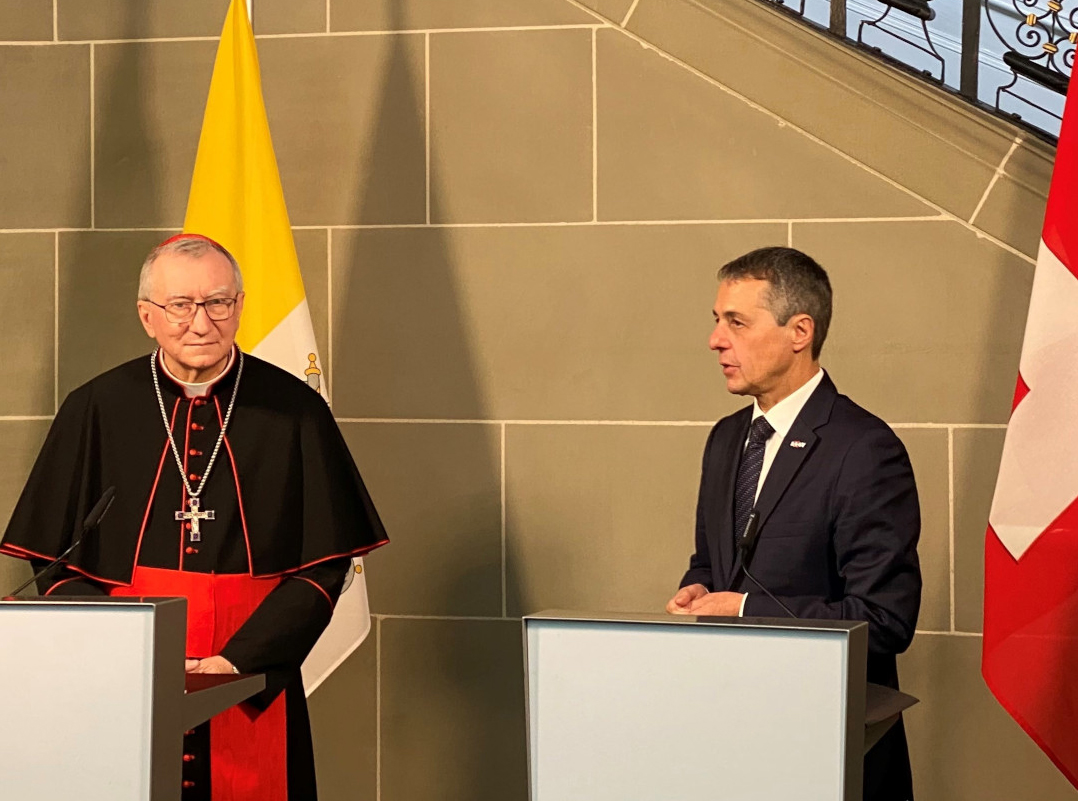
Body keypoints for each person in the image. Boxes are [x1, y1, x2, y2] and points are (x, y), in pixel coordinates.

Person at [1, 233, 389, 801]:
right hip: (120, 680)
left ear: (239, 307)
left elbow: (324, 566)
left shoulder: (295, 410)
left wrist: (236, 661)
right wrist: (121, 650)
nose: (200, 322)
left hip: (252, 674)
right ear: (147, 316)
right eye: (180, 305)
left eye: (218, 303)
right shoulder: (97, 407)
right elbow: (52, 559)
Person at [665, 247, 921, 801]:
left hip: (828, 751)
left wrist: (743, 611)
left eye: (736, 322)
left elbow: (885, 619)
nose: (715, 339)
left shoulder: (865, 449)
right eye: (716, 321)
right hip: (730, 741)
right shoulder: (726, 438)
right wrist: (700, 589)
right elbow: (712, 563)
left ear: (799, 331)